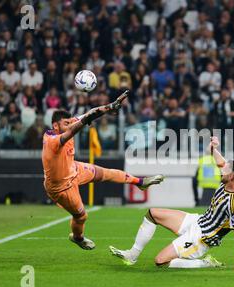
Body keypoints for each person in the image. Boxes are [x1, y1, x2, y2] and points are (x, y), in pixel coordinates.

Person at [42, 90, 164, 250]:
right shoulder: (52, 141)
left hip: (73, 169)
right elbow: (76, 128)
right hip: (61, 187)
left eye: (70, 122)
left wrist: (110, 106)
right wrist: (86, 120)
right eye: (66, 123)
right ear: (55, 126)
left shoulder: (67, 126)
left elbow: (89, 113)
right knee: (81, 216)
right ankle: (78, 238)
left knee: (105, 173)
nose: (70, 125)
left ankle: (140, 182)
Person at [110, 136, 234, 270]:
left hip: (201, 237)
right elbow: (221, 162)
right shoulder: (233, 180)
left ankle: (204, 263)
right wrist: (214, 148)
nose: (220, 171)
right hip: (198, 220)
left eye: (224, 171)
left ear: (232, 176)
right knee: (152, 213)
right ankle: (132, 255)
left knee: (161, 261)